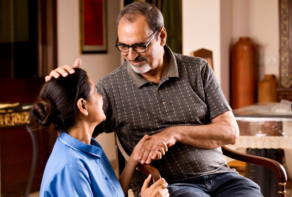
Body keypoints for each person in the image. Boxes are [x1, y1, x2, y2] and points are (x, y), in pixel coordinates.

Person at [46, 2, 263, 197]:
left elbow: (230, 132)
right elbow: (71, 129)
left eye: (140, 46)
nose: (131, 56)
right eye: (124, 46)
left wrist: (174, 133)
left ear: (162, 36)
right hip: (167, 186)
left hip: (222, 177)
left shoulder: (198, 69)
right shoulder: (110, 88)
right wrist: (61, 88)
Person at [30, 68, 169, 197]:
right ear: (83, 106)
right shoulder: (70, 168)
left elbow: (113, 193)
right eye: (96, 92)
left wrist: (133, 159)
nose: (101, 97)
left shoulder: (90, 146)